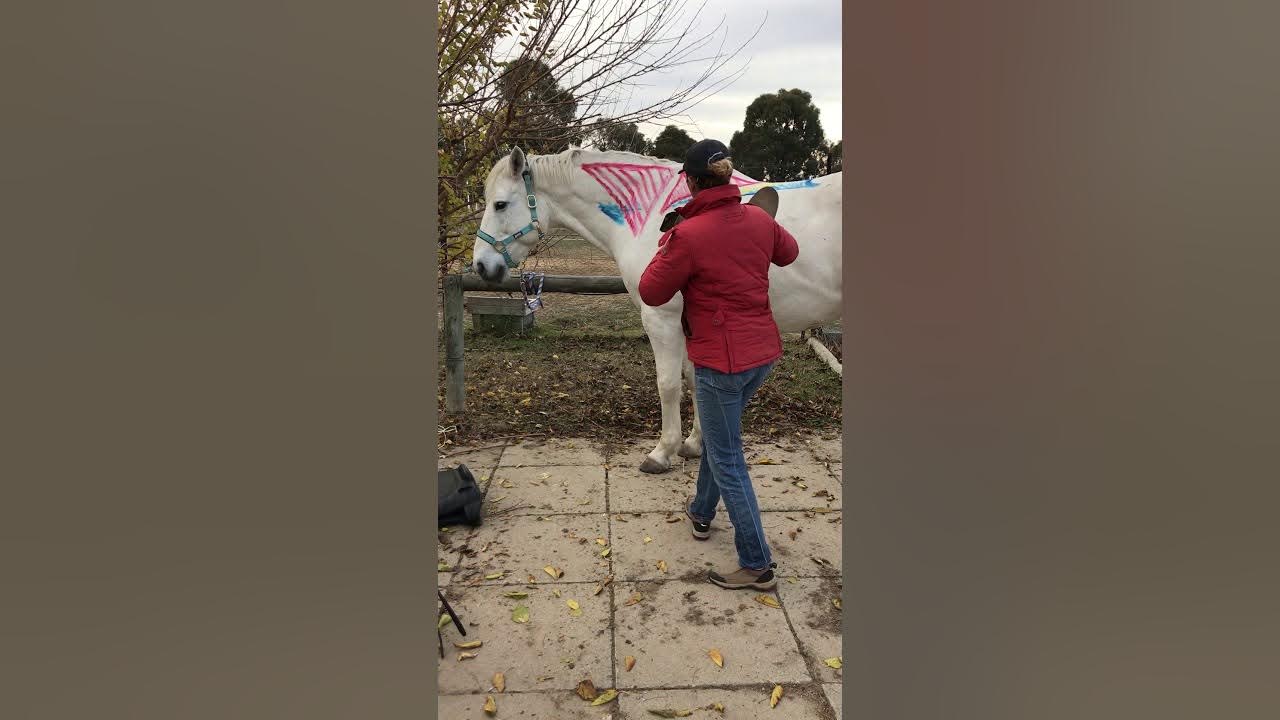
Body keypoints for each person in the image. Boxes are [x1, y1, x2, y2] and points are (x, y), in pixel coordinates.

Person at [637, 139, 799, 591]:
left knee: (728, 456)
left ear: (690, 181)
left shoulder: (687, 234)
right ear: (729, 176)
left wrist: (671, 235)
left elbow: (651, 290)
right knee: (718, 437)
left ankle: (756, 563)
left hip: (719, 363)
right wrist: (756, 223)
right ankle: (701, 513)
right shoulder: (757, 219)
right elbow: (788, 253)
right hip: (760, 355)